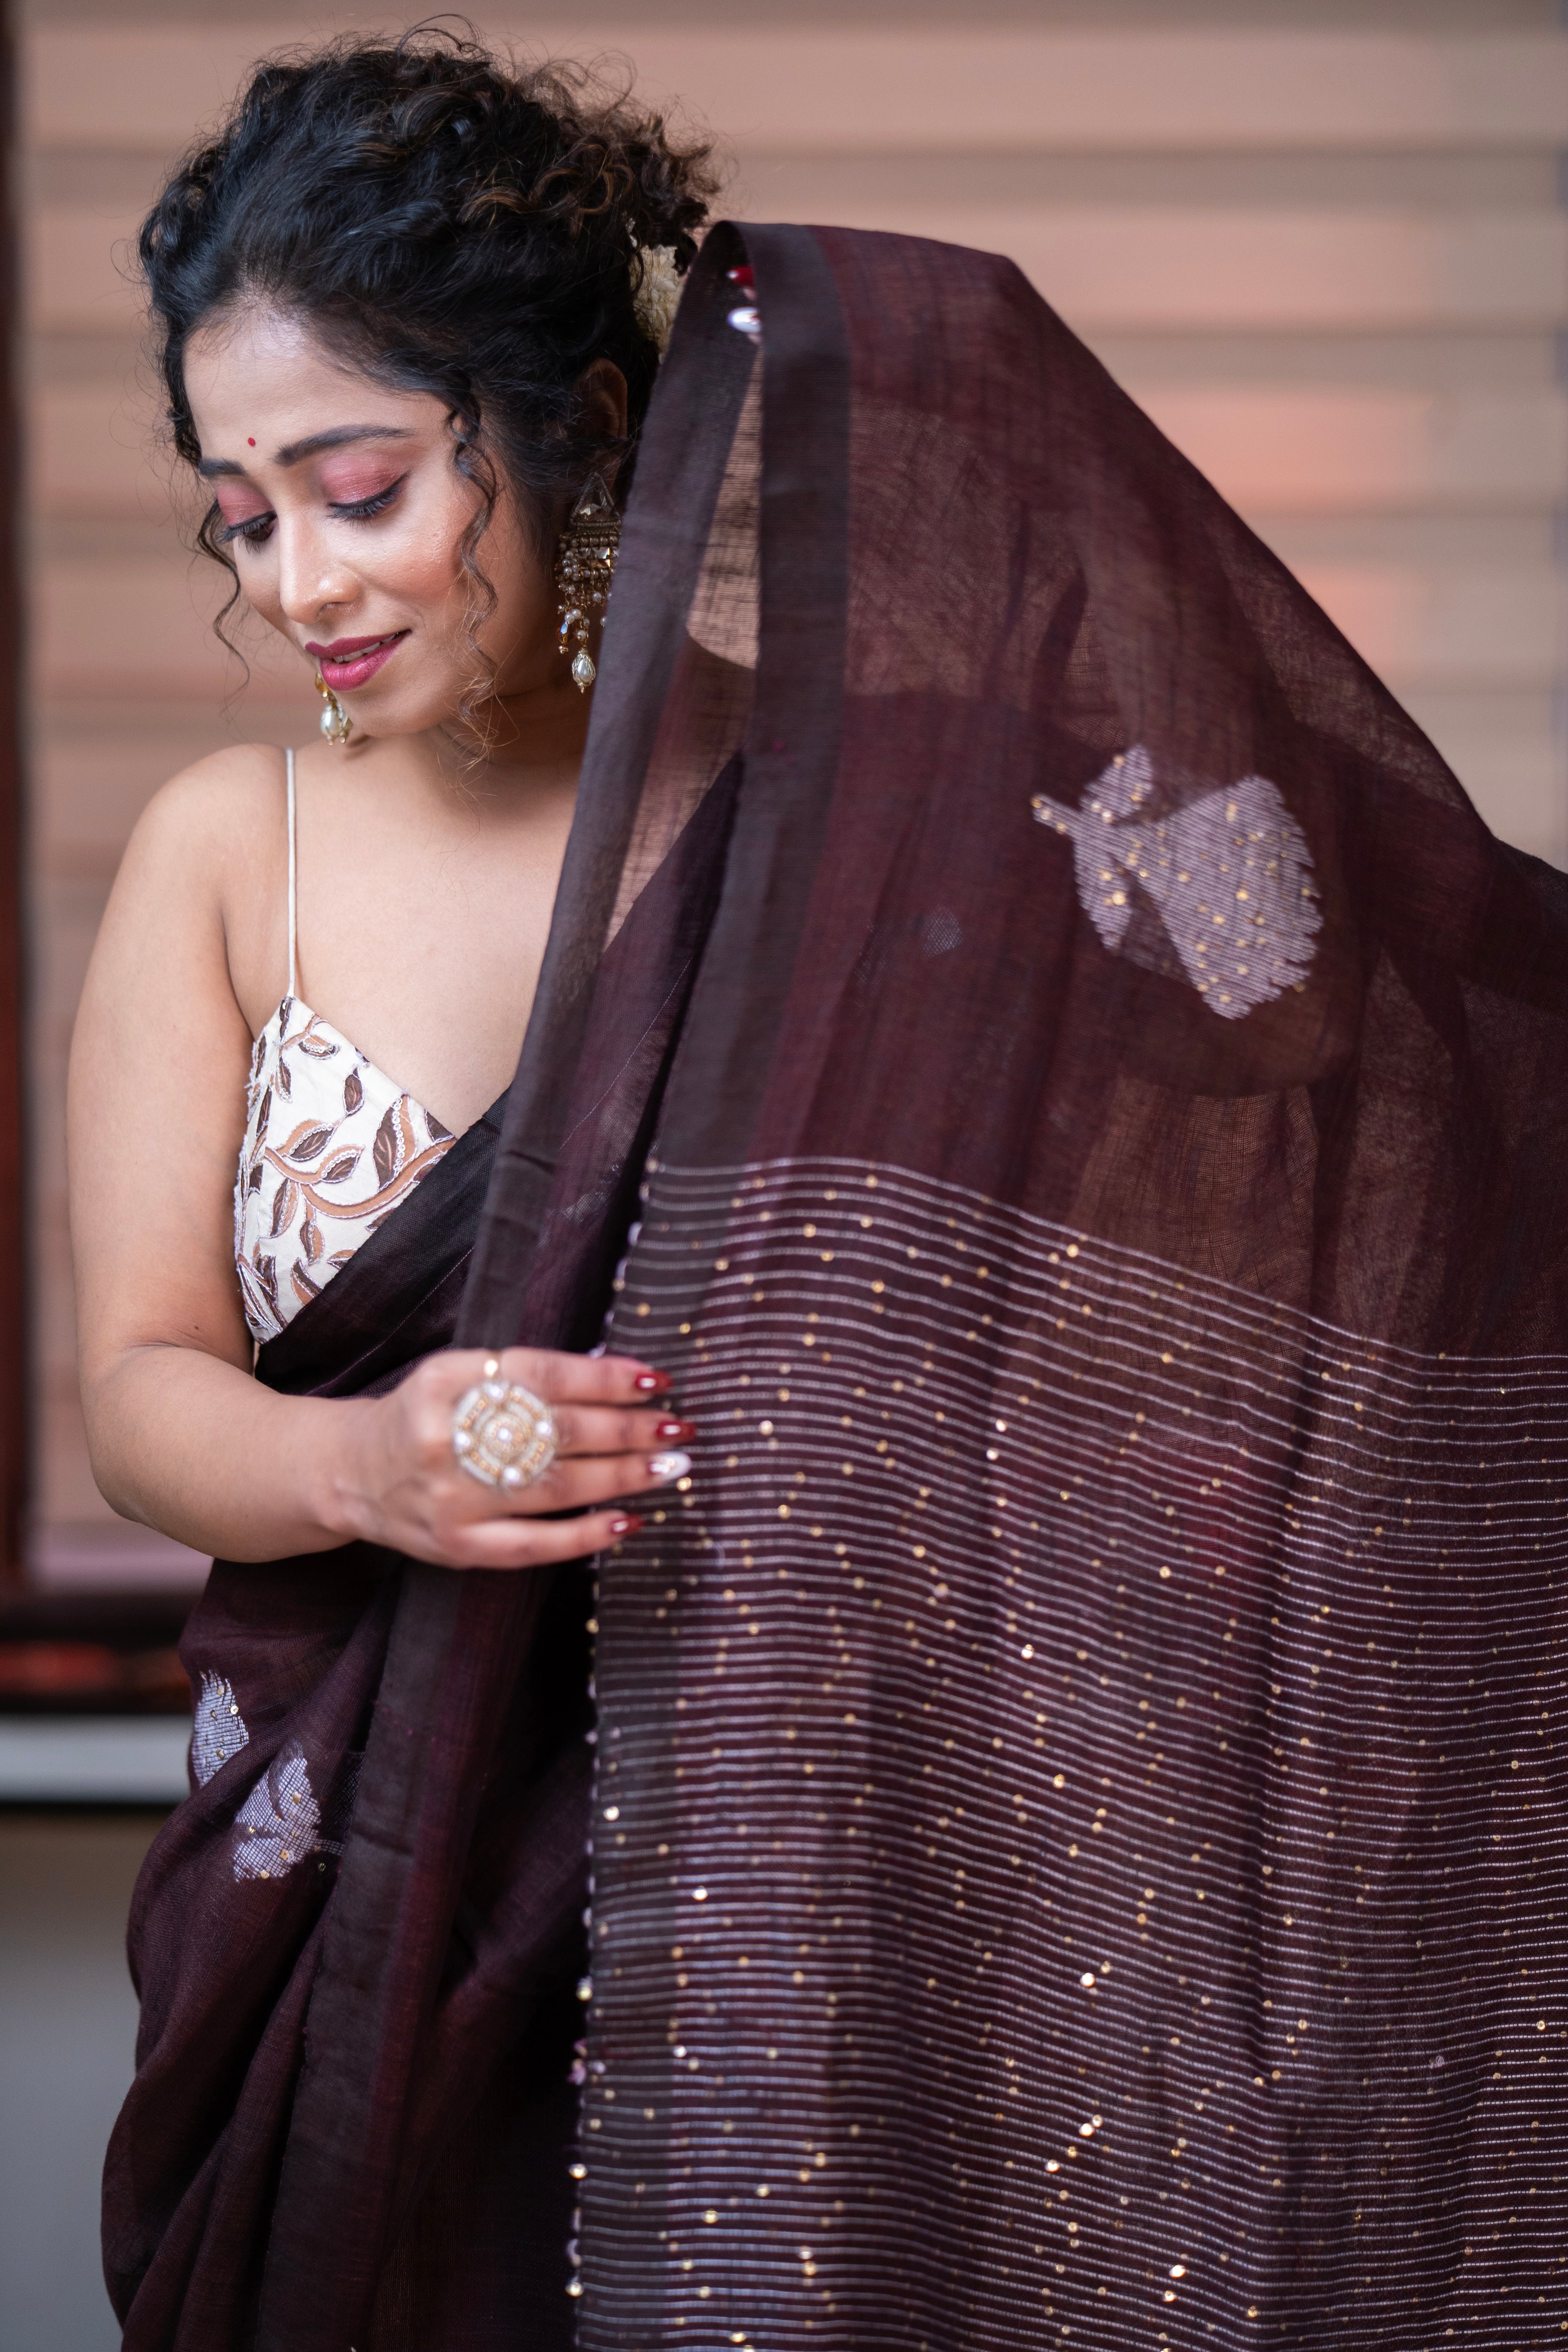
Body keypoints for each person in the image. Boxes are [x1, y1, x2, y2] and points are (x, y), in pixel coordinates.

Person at [77, 27, 1568, 2352]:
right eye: (240, 514)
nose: (296, 582)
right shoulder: (222, 854)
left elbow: (1276, 1168)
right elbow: (139, 1391)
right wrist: (366, 1457)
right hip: (356, 1882)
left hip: (817, 1881)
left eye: (356, 484)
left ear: (574, 425)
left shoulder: (892, 811)